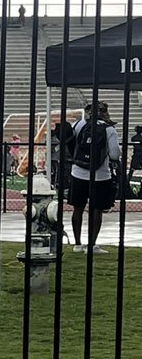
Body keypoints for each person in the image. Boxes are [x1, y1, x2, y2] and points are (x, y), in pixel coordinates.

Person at [68, 101, 121, 254]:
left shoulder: (79, 124)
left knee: (77, 209)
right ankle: (92, 245)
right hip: (101, 175)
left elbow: (71, 144)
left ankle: (77, 244)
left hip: (78, 172)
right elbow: (114, 154)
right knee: (96, 210)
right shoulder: (109, 129)